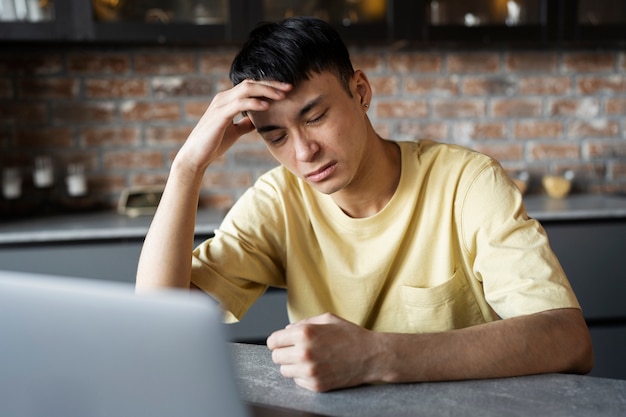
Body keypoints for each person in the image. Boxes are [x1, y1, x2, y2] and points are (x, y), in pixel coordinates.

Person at [136, 16, 593, 392]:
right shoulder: (278, 200)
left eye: (315, 117)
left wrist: (376, 356)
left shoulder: (466, 182)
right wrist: (187, 168)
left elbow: (568, 339)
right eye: (275, 135)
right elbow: (158, 328)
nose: (303, 152)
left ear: (360, 91)